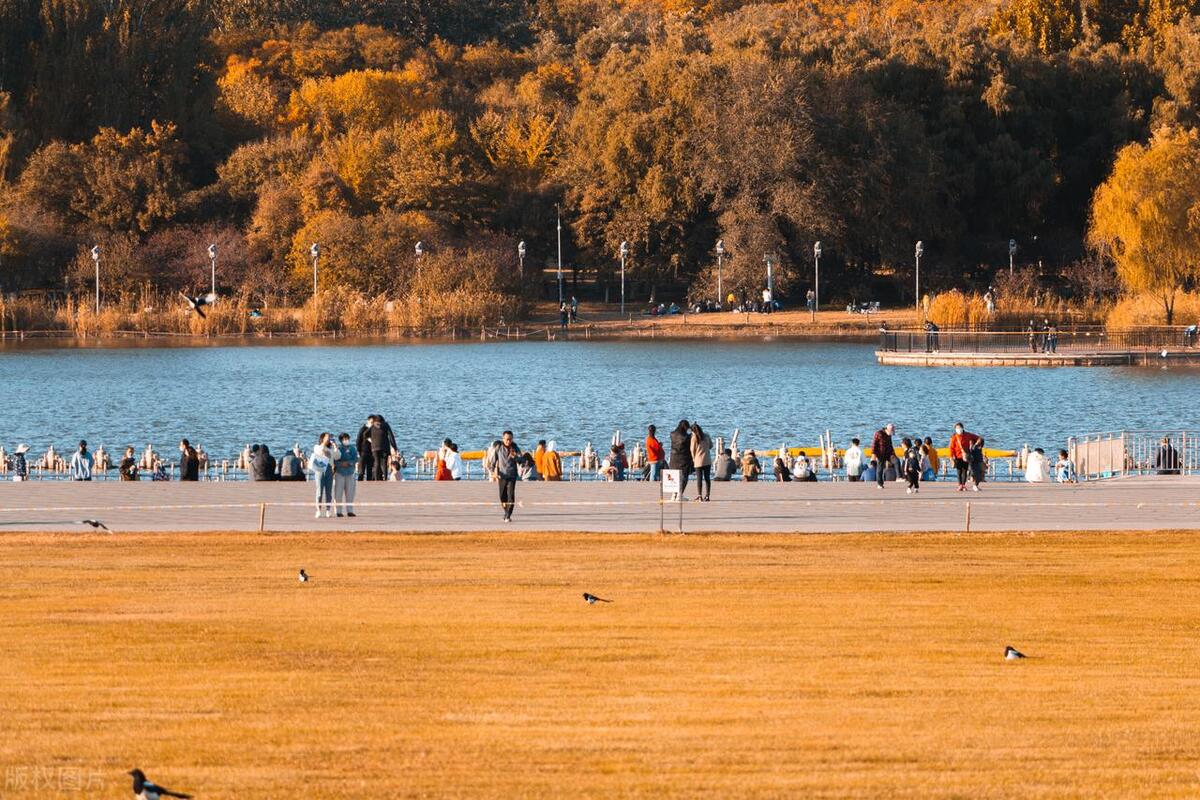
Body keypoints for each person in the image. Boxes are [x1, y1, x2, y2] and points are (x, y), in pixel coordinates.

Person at [485, 431, 520, 522]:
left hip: (512, 475)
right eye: (507, 439)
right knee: (502, 496)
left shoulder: (515, 447)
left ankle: (508, 515)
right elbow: (492, 463)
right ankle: (506, 512)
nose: (509, 441)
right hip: (502, 476)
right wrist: (493, 473)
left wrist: (516, 457)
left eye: (511, 439)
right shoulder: (498, 448)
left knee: (511, 496)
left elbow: (521, 460)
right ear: (503, 439)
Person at [309, 433, 340, 518]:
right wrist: (324, 444)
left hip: (329, 469)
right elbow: (320, 451)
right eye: (327, 437)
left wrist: (335, 446)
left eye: (330, 437)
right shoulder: (317, 446)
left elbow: (337, 456)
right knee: (319, 490)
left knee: (329, 491)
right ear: (322, 438)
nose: (329, 438)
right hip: (320, 469)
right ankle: (318, 510)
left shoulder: (331, 449)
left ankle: (328, 510)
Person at [949, 423, 980, 492]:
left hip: (966, 456)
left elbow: (977, 438)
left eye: (959, 428)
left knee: (965, 471)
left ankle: (963, 485)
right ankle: (960, 485)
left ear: (962, 428)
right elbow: (951, 448)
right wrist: (951, 457)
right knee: (959, 471)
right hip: (957, 456)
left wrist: (974, 445)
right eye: (957, 428)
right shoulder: (954, 437)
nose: (958, 429)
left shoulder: (968, 435)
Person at [333, 433, 358, 517]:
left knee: (350, 493)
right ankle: (338, 511)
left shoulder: (352, 448)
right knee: (338, 493)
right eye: (344, 439)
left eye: (347, 438)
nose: (346, 440)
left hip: (350, 472)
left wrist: (349, 463)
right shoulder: (338, 448)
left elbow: (355, 458)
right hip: (340, 473)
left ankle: (350, 510)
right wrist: (340, 464)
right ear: (341, 440)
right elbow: (334, 460)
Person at [669, 419, 693, 500]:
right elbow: (686, 443)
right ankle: (680, 494)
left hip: (673, 458)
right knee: (684, 477)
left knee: (674, 477)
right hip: (683, 459)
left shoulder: (672, 434)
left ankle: (673, 494)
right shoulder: (685, 437)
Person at [369, 415, 397, 481]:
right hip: (384, 447)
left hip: (374, 447)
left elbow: (366, 434)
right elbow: (391, 436)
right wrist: (394, 447)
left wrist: (371, 440)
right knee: (384, 463)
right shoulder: (386, 425)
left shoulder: (372, 425)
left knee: (377, 463)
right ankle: (385, 478)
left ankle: (376, 479)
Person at [690, 422, 713, 501]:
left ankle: (700, 496)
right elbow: (711, 446)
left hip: (698, 460)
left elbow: (692, 450)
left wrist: (693, 459)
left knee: (699, 479)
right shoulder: (706, 435)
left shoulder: (694, 438)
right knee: (707, 478)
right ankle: (707, 495)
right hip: (707, 460)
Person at [871, 424, 896, 489]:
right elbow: (874, 444)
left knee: (896, 461)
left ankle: (899, 477)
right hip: (880, 453)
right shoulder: (879, 433)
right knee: (880, 469)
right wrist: (874, 455)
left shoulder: (889, 435)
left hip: (888, 453)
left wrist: (893, 454)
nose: (891, 434)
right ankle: (880, 484)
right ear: (887, 429)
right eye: (891, 432)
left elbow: (890, 445)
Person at [355, 416, 375, 481]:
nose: (372, 424)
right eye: (371, 422)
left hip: (371, 453)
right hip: (363, 452)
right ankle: (360, 484)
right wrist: (358, 451)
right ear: (368, 421)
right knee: (361, 472)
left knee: (370, 472)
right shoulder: (363, 429)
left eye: (373, 422)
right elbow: (358, 440)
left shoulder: (374, 430)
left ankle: (369, 487)